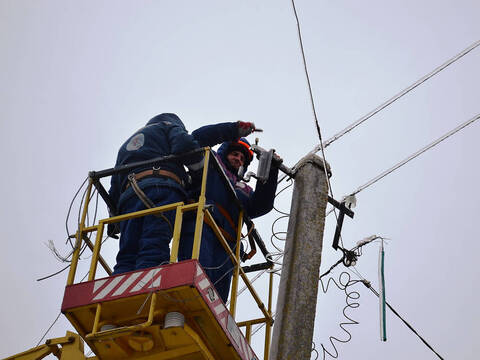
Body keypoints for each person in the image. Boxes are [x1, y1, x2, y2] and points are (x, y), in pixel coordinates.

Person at [178, 122, 279, 302]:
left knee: (217, 300)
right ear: (225, 152)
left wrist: (271, 169)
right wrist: (232, 130)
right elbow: (195, 141)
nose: (238, 159)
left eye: (242, 158)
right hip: (201, 227)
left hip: (227, 246)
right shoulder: (210, 162)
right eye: (235, 153)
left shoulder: (243, 189)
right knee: (193, 280)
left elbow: (261, 205)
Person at [109, 113, 203, 274]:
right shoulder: (168, 127)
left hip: (129, 198)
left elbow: (114, 186)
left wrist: (113, 222)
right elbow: (184, 144)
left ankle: (120, 290)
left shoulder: (126, 146)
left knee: (127, 252)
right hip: (162, 191)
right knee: (154, 243)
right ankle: (149, 290)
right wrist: (201, 171)